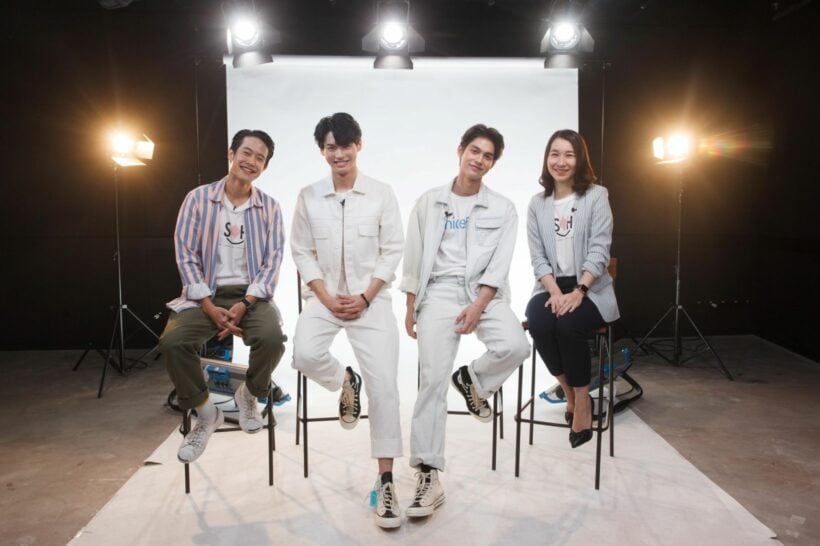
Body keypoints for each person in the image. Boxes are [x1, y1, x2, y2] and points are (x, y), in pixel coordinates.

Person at [400, 124, 530, 518]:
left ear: (493, 163)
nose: (479, 159)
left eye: (488, 156)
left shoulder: (503, 208)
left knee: (516, 345)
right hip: (438, 292)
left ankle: (473, 379)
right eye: (474, 151)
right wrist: (410, 306)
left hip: (484, 293)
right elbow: (414, 257)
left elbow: (500, 264)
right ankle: (428, 474)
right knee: (431, 380)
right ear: (460, 151)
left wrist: (478, 305)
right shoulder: (429, 202)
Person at [290, 113, 404, 529]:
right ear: (322, 151)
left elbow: (393, 250)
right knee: (304, 353)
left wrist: (365, 297)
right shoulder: (309, 196)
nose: (338, 154)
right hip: (324, 297)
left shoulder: (381, 193)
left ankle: (386, 479)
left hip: (369, 300)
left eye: (345, 145)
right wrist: (325, 297)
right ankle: (344, 381)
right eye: (330, 147)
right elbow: (301, 252)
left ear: (359, 145)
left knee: (385, 387)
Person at [158, 129, 287, 463]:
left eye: (260, 158)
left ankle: (250, 394)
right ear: (232, 154)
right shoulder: (198, 199)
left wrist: (245, 304)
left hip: (251, 297)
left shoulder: (270, 208)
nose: (252, 161)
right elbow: (185, 254)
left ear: (265, 166)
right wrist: (207, 305)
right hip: (205, 294)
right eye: (247, 153)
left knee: (273, 339)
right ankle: (206, 412)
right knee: (173, 343)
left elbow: (272, 262)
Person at [524, 129, 619, 448]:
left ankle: (582, 399)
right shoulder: (537, 204)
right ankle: (569, 393)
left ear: (580, 160)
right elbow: (537, 257)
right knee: (539, 323)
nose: (561, 161)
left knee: (568, 325)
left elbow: (600, 250)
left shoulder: (596, 195)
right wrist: (554, 292)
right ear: (546, 159)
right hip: (551, 287)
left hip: (590, 287)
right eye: (555, 154)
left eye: (569, 154)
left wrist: (579, 291)